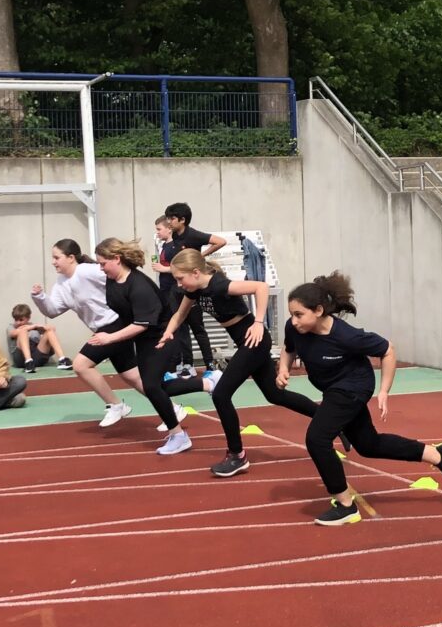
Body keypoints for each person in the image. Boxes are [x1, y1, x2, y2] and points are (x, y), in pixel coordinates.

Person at [277, 271, 442, 526]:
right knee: (368, 444)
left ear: (318, 310)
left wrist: (384, 391)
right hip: (333, 390)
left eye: (299, 314)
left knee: (317, 438)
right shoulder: (294, 328)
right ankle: (437, 454)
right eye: (291, 314)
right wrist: (283, 368)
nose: (293, 320)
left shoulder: (346, 336)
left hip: (354, 387)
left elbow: (388, 350)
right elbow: (288, 349)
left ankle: (345, 505)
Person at [159, 248, 321, 477]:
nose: (178, 284)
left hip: (254, 340)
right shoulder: (195, 291)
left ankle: (237, 455)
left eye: (180, 278)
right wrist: (167, 333)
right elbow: (179, 315)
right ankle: (325, 417)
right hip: (246, 342)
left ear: (195, 272)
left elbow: (261, 287)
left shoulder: (220, 285)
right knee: (274, 395)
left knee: (220, 394)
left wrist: (258, 321)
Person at [91, 238, 212, 455]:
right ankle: (207, 384)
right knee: (153, 387)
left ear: (116, 259)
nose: (101, 268)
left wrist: (110, 338)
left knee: (152, 387)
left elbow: (140, 324)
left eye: (103, 263)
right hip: (144, 339)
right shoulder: (113, 279)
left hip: (162, 336)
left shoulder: (139, 286)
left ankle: (178, 435)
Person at [31, 239, 155, 427]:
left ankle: (115, 405)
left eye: (57, 257)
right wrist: (39, 297)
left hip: (114, 323)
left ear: (71, 258)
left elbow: (116, 274)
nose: (53, 262)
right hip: (102, 328)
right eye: (53, 258)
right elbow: (53, 310)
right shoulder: (61, 284)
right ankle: (171, 409)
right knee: (132, 376)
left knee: (81, 365)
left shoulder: (86, 271)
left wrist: (134, 299)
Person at [161, 204, 222, 375]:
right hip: (178, 288)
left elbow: (220, 241)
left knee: (198, 328)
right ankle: (187, 365)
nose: (169, 222)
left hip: (193, 287)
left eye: (172, 218)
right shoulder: (174, 236)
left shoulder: (193, 234)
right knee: (180, 326)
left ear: (182, 220)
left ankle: (210, 365)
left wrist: (201, 256)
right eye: (168, 218)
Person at [7, 304, 72, 373]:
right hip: (21, 359)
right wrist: (31, 327)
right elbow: (13, 333)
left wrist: (38, 327)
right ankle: (28, 362)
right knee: (23, 331)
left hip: (36, 357)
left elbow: (52, 329)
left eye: (21, 320)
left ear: (28, 318)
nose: (18, 322)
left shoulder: (34, 327)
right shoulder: (11, 327)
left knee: (49, 332)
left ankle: (62, 360)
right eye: (16, 320)